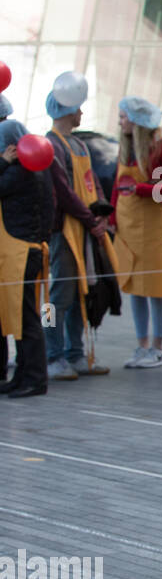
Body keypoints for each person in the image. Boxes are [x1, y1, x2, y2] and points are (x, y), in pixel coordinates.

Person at [44, 89, 110, 380]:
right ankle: (52, 354)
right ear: (67, 110)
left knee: (79, 293)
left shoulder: (78, 145)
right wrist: (90, 219)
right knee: (55, 296)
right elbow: (63, 190)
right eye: (78, 108)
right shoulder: (52, 145)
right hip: (63, 231)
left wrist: (99, 214)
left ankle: (75, 352)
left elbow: (90, 182)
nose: (82, 113)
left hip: (82, 227)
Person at [113, 96, 162, 369]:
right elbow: (117, 186)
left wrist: (139, 190)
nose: (120, 121)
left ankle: (158, 349)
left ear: (137, 120)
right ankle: (142, 345)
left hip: (152, 225)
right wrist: (113, 217)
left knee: (156, 286)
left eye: (123, 116)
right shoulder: (126, 148)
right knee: (135, 287)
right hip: (127, 226)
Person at [0, 119, 53, 398]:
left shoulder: (19, 169)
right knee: (19, 316)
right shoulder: (35, 166)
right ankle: (22, 374)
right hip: (27, 248)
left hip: (21, 250)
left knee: (26, 318)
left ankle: (34, 378)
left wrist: (2, 162)